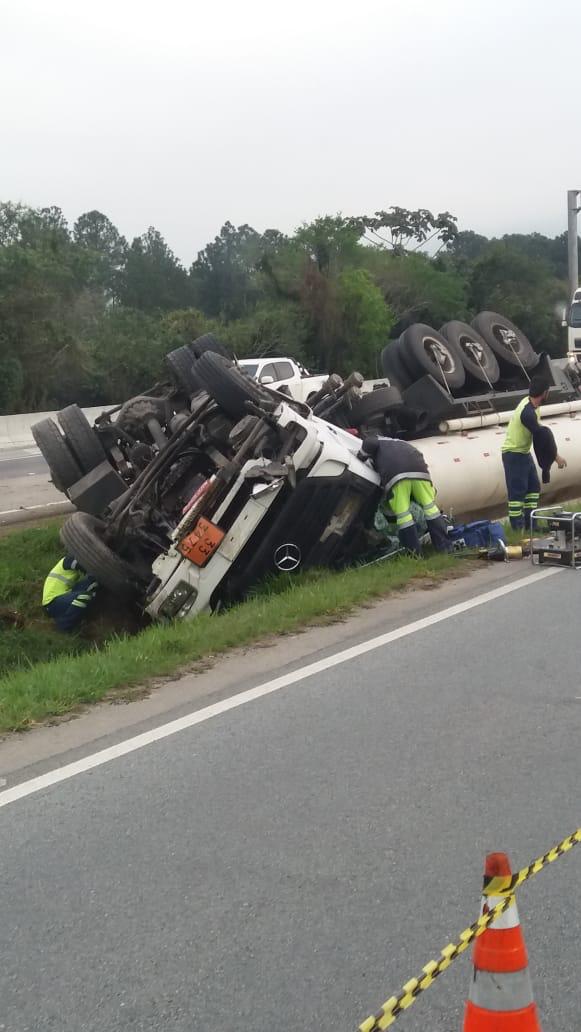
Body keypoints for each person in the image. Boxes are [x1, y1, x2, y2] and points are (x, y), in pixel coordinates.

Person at [358, 435, 451, 555]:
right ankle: (445, 548)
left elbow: (371, 441)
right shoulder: (399, 442)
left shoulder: (376, 439)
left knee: (403, 515)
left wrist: (360, 456)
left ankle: (415, 554)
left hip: (398, 475)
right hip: (420, 470)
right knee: (431, 508)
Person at [501, 377, 566, 530]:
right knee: (517, 494)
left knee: (533, 489)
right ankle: (518, 530)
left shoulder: (532, 405)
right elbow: (542, 436)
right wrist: (556, 458)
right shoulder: (527, 413)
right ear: (545, 393)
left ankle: (532, 526)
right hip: (514, 454)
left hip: (523, 453)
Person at [42, 555, 98, 632]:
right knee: (84, 596)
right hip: (52, 603)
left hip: (62, 597)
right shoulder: (67, 560)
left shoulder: (71, 567)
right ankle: (63, 625)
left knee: (93, 583)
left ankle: (88, 618)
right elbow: (82, 565)